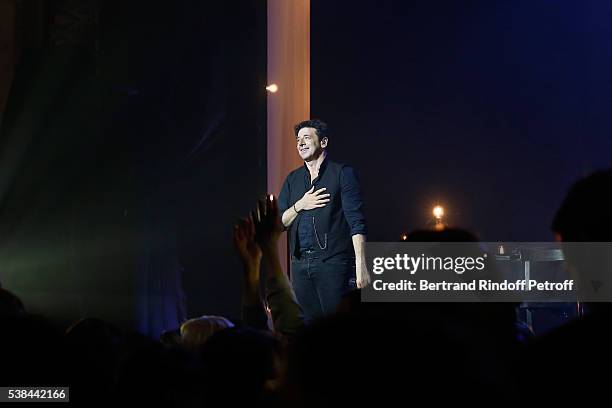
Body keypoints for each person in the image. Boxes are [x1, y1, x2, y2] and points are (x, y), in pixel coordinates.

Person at [278, 119, 370, 324]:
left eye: (307, 138)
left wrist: (361, 266)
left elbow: (356, 222)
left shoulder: (342, 173)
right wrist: (300, 204)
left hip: (333, 263)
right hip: (300, 266)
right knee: (310, 329)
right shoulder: (292, 180)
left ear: (324, 142)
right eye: (298, 140)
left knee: (336, 326)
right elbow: (280, 222)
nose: (300, 143)